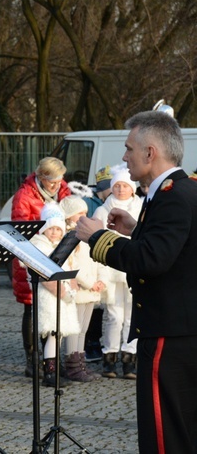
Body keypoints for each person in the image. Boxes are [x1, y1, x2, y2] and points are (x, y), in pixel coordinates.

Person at [76, 109, 197, 453]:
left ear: (150, 153)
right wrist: (134, 229)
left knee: (165, 433)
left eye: (129, 148)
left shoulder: (172, 196)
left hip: (168, 335)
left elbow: (152, 260)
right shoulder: (182, 190)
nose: (124, 157)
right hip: (181, 330)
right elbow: (176, 248)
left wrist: (98, 237)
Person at [10, 156, 71, 378]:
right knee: (32, 307)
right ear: (41, 177)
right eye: (52, 182)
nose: (57, 186)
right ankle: (32, 359)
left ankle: (52, 358)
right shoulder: (24, 196)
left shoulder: (63, 190)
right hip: (33, 255)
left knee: (54, 309)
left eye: (60, 181)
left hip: (58, 254)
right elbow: (20, 230)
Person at [91, 166, 142, 379]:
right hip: (110, 269)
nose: (121, 189)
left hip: (133, 267)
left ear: (132, 188)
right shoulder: (103, 210)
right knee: (113, 315)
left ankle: (130, 357)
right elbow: (95, 241)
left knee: (132, 316)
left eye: (125, 185)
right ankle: (109, 356)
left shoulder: (140, 208)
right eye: (117, 185)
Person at [27, 203, 80, 388]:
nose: (55, 232)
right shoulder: (40, 246)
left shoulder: (61, 247)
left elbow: (70, 270)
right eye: (51, 228)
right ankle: (50, 371)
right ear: (44, 230)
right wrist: (64, 293)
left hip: (62, 297)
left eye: (59, 229)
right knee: (52, 333)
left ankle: (56, 366)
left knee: (59, 333)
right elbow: (45, 277)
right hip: (50, 298)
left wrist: (71, 290)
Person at [58, 195, 103, 382]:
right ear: (69, 217)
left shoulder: (89, 234)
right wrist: (88, 283)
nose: (84, 217)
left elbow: (97, 258)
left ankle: (80, 362)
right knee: (74, 328)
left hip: (92, 289)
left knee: (84, 328)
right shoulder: (71, 236)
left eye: (86, 212)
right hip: (80, 288)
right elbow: (73, 266)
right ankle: (72, 365)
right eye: (79, 214)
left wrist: (100, 280)